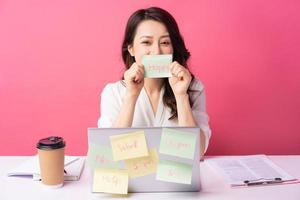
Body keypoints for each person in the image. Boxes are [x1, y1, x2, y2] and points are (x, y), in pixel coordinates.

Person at [98, 7, 211, 156]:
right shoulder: (113, 92)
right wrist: (131, 95)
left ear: (173, 48)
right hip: (132, 177)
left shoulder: (193, 88)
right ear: (131, 49)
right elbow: (108, 153)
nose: (156, 51)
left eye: (164, 42)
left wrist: (181, 96)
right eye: (146, 42)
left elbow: (198, 153)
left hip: (176, 177)